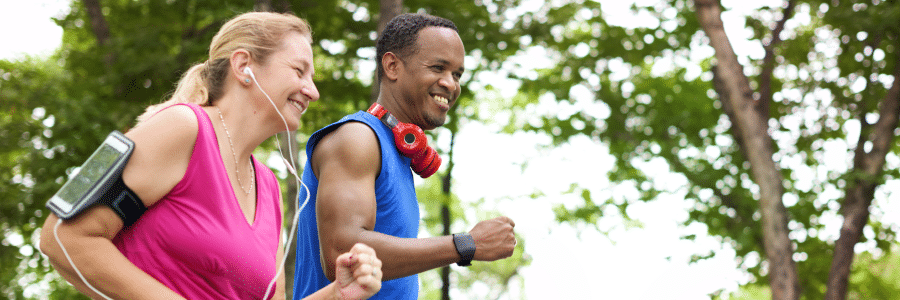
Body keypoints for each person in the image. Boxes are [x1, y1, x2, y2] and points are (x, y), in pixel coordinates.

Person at [39, 12, 383, 300]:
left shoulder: (269, 186)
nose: (313, 90)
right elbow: (61, 235)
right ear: (244, 65)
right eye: (299, 71)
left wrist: (336, 292)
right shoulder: (180, 126)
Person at [292, 13, 517, 299]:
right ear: (392, 66)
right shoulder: (357, 138)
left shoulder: (393, 150)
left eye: (457, 74)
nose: (450, 84)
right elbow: (343, 251)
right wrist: (466, 244)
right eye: (438, 68)